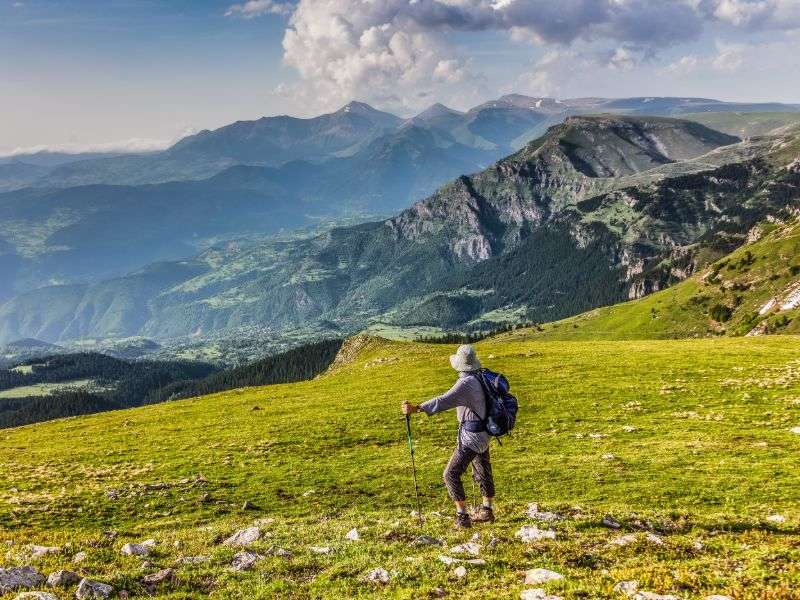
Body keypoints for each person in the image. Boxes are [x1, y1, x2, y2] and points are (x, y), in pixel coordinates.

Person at [401, 344, 495, 529]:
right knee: (482, 470)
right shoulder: (481, 377)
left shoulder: (466, 383)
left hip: (471, 437)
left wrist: (416, 408)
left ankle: (462, 517)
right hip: (485, 432)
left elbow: (443, 400)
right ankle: (487, 510)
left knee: (450, 474)